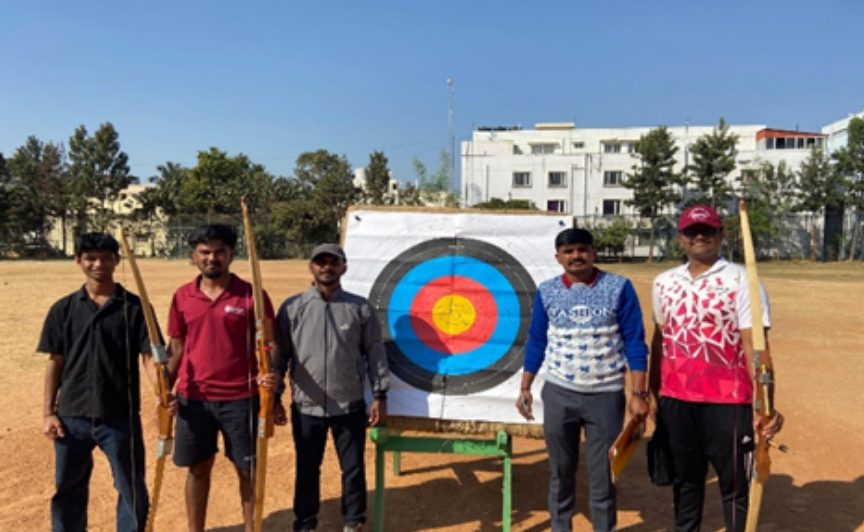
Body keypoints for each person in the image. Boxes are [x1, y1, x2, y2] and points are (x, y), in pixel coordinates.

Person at [649, 205, 784, 532]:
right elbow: (659, 339)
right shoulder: (664, 282)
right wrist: (653, 392)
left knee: (735, 486)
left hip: (729, 400)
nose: (700, 237)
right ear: (680, 238)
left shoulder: (742, 279)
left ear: (721, 235)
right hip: (676, 398)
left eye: (707, 230)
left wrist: (764, 405)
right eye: (692, 231)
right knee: (686, 482)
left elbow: (757, 346)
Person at [516, 228, 649, 532]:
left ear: (594, 252)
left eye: (582, 249)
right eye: (568, 251)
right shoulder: (547, 290)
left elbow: (635, 342)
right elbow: (537, 340)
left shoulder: (619, 287)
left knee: (603, 477)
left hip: (606, 395)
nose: (576, 256)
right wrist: (525, 385)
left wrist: (639, 392)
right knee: (561, 473)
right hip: (559, 394)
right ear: (558, 257)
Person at [38, 232, 157, 532]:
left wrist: (161, 390)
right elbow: (55, 362)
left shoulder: (136, 307)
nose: (98, 264)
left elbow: (149, 356)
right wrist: (48, 412)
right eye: (90, 258)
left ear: (117, 260)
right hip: (71, 415)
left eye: (106, 258)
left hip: (120, 415)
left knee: (131, 487)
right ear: (78, 260)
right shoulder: (62, 309)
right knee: (68, 487)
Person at [267, 243, 389, 532]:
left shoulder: (359, 308)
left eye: (333, 262)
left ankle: (353, 520)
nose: (327, 267)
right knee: (307, 468)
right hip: (306, 407)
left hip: (349, 404)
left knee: (353, 468)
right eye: (320, 262)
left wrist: (380, 394)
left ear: (344, 267)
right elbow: (280, 356)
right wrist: (275, 398)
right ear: (310, 266)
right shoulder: (292, 308)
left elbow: (374, 351)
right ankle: (306, 522)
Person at [166, 224, 275, 532]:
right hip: (193, 399)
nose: (211, 258)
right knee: (197, 469)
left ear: (231, 254)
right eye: (204, 252)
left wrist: (273, 380)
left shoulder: (252, 296)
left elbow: (269, 345)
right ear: (194, 255)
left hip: (242, 398)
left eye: (219, 252)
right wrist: (166, 387)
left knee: (247, 470)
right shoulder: (182, 296)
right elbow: (176, 347)